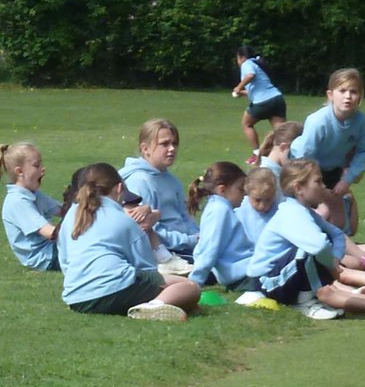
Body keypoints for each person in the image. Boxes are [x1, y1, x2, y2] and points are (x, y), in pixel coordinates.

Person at [250, 159, 365, 318]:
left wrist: (335, 259)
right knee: (315, 262)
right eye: (318, 181)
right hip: (269, 283)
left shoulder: (305, 211)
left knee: (324, 274)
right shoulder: (291, 213)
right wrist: (333, 266)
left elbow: (337, 235)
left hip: (289, 276)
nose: (323, 186)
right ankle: (305, 303)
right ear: (298, 188)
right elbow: (319, 246)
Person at [55, 164, 203, 321]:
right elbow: (147, 269)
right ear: (119, 189)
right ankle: (153, 306)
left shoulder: (72, 215)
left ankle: (157, 304)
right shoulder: (125, 221)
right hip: (116, 290)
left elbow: (64, 261)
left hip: (77, 299)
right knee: (190, 287)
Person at [289, 67, 365, 233]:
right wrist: (319, 187)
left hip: (331, 168)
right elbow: (305, 157)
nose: (348, 96)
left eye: (354, 91)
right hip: (300, 165)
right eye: (342, 91)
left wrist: (347, 179)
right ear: (330, 95)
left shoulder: (362, 122)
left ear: (360, 97)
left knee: (339, 218)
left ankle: (340, 248)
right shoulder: (318, 121)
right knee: (318, 210)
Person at [120, 119, 199, 261]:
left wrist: (199, 236)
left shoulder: (172, 180)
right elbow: (148, 229)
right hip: (164, 251)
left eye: (174, 143)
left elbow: (185, 216)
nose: (172, 148)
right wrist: (191, 241)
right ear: (145, 149)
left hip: (187, 245)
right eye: (165, 144)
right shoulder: (139, 181)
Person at [186, 162, 258, 290]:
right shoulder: (220, 210)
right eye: (240, 189)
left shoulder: (218, 208)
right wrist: (194, 283)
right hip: (243, 276)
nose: (245, 195)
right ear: (222, 190)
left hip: (244, 273)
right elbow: (209, 250)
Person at [3, 142, 62, 271]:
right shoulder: (17, 202)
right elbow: (50, 233)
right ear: (19, 171)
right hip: (45, 256)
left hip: (51, 248)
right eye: (36, 165)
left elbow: (64, 211)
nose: (43, 168)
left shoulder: (33, 193)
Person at [232, 45, 287, 158]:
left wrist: (238, 87)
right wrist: (241, 92)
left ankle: (256, 153)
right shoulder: (258, 65)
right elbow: (257, 89)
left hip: (263, 102)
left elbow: (251, 75)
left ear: (241, 57)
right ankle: (287, 153)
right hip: (277, 99)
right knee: (282, 131)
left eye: (237, 58)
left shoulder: (246, 64)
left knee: (247, 124)